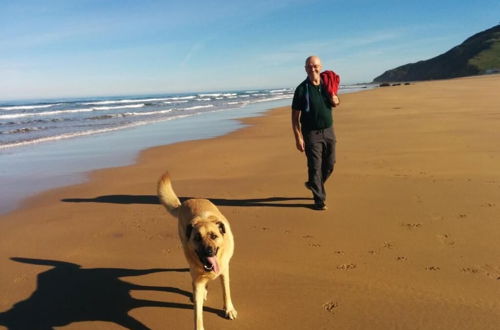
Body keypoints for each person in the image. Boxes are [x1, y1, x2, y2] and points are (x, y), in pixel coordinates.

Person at [291, 55, 339, 210]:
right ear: (305, 69)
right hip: (311, 134)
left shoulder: (327, 84)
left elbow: (334, 100)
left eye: (315, 66)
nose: (313, 68)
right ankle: (319, 200)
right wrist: (298, 137)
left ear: (321, 67)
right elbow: (295, 117)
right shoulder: (301, 89)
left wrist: (336, 100)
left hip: (329, 130)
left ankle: (314, 183)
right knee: (315, 167)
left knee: (330, 164)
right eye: (309, 66)